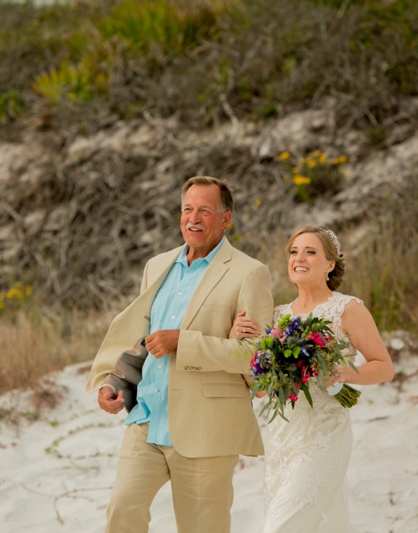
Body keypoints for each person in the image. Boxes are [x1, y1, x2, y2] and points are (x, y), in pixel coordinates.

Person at [85, 176, 274, 533]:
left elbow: (255, 358)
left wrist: (183, 342)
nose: (193, 218)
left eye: (205, 210)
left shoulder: (250, 273)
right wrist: (117, 382)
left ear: (226, 218)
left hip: (207, 428)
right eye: (188, 209)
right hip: (146, 420)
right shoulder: (157, 266)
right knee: (121, 514)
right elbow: (146, 339)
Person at [232, 225, 395, 533]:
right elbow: (261, 390)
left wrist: (344, 373)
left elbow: (384, 367)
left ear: (330, 264)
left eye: (310, 252)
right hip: (282, 437)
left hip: (325, 433)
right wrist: (239, 336)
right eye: (294, 252)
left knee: (280, 526)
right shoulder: (278, 316)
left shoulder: (347, 308)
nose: (299, 258)